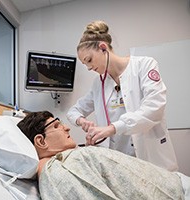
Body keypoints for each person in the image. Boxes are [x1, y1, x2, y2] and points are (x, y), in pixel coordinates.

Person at [66, 20, 178, 171]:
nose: (89, 67)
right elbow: (73, 111)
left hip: (150, 156)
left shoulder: (144, 66)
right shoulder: (98, 84)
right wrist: (81, 121)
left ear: (103, 48)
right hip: (118, 163)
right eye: (85, 64)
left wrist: (112, 128)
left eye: (89, 60)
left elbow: (154, 107)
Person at [17, 111, 190, 200]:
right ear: (40, 142)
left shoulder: (69, 160)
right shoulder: (58, 170)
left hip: (177, 185)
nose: (67, 128)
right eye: (57, 126)